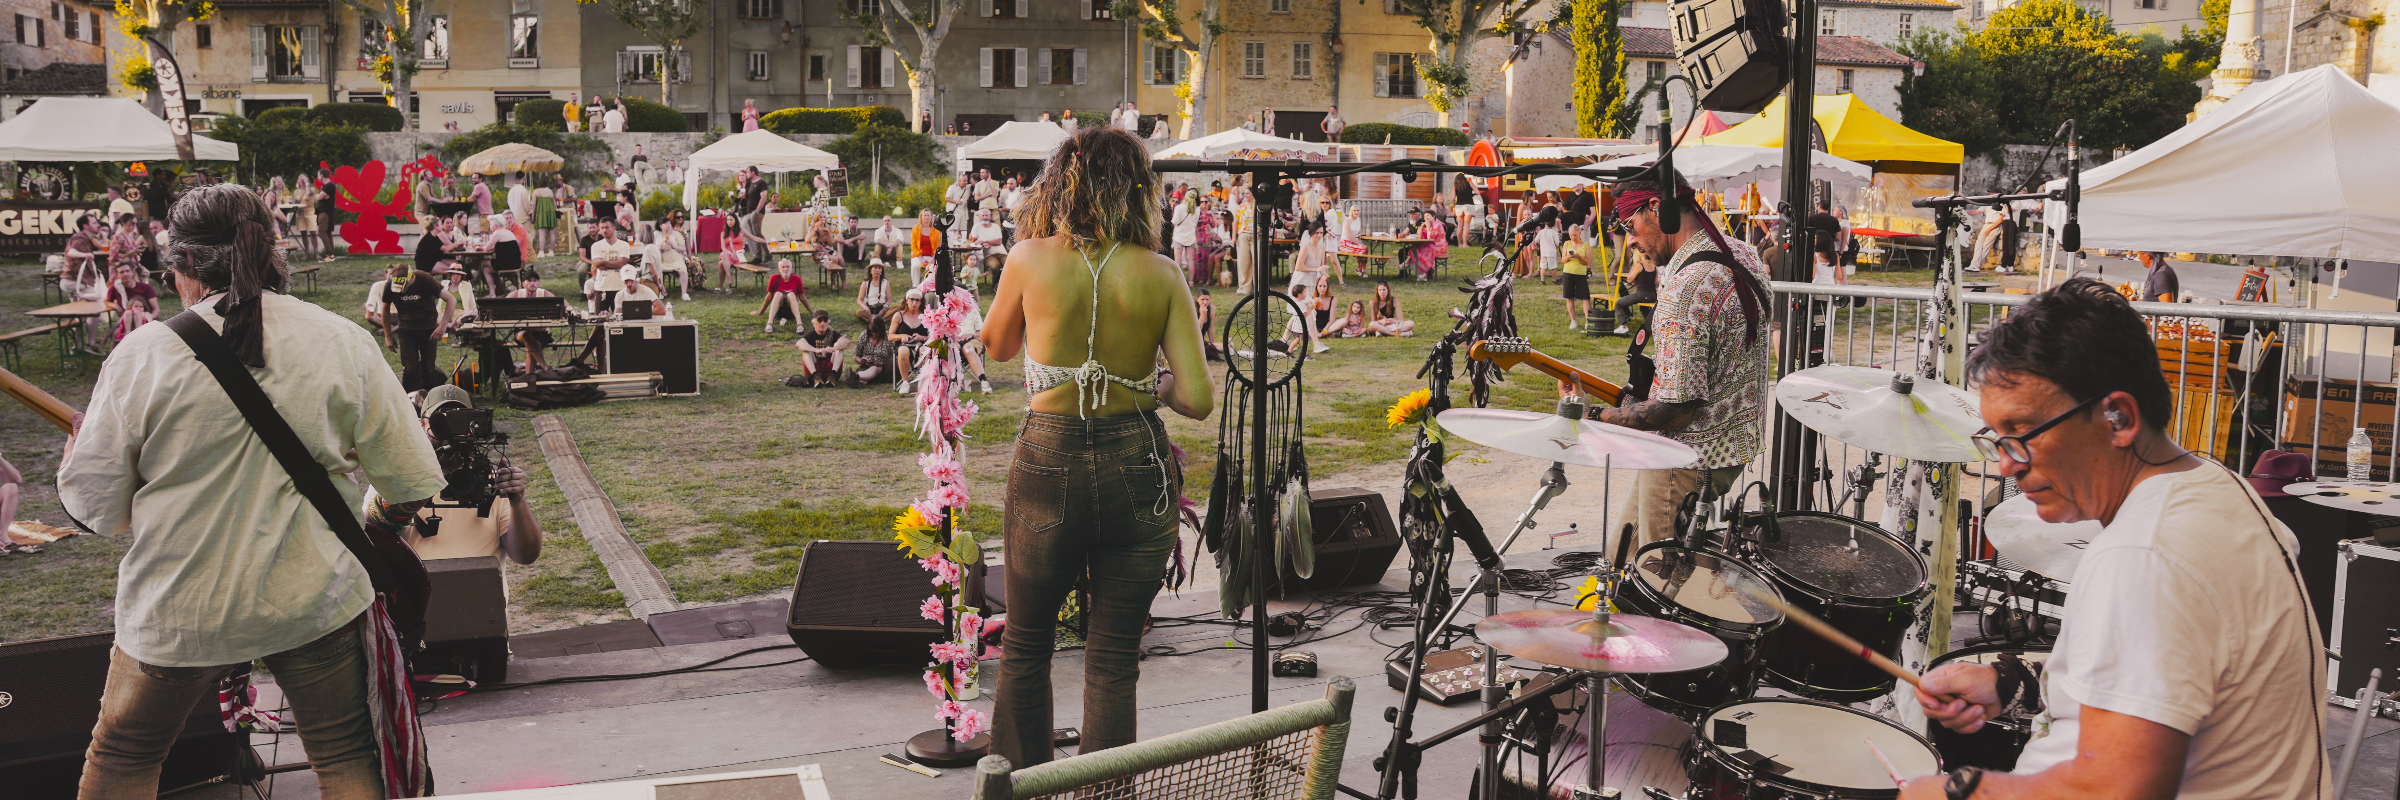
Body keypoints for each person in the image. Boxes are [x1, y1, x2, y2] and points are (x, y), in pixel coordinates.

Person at [59, 183, 447, 799]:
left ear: (182, 264)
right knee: (345, 752)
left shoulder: (143, 356)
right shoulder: (340, 339)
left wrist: (82, 454)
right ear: (271, 252)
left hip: (179, 606)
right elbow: (411, 480)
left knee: (125, 753)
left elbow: (95, 510)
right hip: (313, 599)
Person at [1900, 277, 2328, 800]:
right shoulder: (2218, 489)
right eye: (1996, 440)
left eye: (2022, 434)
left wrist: (1956, 792)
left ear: (2117, 417)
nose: (2007, 464)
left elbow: (2116, 790)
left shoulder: (2143, 555)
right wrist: (2013, 685)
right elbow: (2177, 678)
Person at [981, 126, 1212, 770]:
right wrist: (1150, 380)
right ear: (1139, 192)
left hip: (1048, 456)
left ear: (1060, 184)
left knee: (1026, 645)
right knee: (1112, 659)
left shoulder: (1028, 257)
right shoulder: (1161, 273)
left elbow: (996, 347)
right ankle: (1105, 793)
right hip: (1137, 460)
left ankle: (1020, 786)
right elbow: (1197, 398)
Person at [1596, 170, 1771, 546]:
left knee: (1657, 577)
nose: (1632, 243)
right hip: (1733, 445)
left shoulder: (1687, 285)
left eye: (1630, 226)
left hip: (1687, 457)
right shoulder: (1743, 253)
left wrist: (1597, 418)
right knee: (1620, 554)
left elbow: (1676, 409)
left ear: (1655, 208)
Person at [383, 260, 458, 393]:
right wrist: (388, 335)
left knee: (428, 368)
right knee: (410, 368)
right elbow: (385, 308)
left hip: (428, 329)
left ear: (411, 277)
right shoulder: (390, 283)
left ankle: (430, 400)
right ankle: (409, 401)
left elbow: (451, 299)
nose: (403, 290)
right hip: (406, 329)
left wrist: (442, 325)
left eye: (404, 286)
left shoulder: (425, 279)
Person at [505, 271, 559, 369]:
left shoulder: (544, 293)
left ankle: (529, 378)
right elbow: (500, 306)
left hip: (541, 333)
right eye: (529, 281)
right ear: (523, 284)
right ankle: (545, 367)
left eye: (535, 280)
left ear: (538, 283)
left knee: (531, 349)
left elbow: (563, 305)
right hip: (522, 331)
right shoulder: (517, 294)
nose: (532, 283)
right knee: (527, 335)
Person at [582, 220, 634, 312]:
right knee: (600, 321)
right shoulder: (596, 246)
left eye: (607, 227)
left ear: (614, 228)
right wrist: (616, 263)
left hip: (619, 286)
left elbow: (623, 263)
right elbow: (599, 266)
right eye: (602, 228)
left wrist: (603, 262)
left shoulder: (624, 245)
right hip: (602, 287)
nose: (604, 230)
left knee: (621, 320)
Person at [886, 290, 932, 394]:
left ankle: (921, 380)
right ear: (906, 301)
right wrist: (901, 336)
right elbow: (890, 336)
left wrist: (922, 338)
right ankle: (905, 382)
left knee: (924, 350)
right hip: (903, 345)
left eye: (917, 300)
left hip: (921, 345)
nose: (914, 303)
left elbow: (933, 336)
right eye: (912, 299)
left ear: (921, 302)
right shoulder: (899, 316)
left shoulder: (926, 316)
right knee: (903, 350)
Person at [794, 311, 847, 387]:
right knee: (806, 351)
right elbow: (799, 344)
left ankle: (832, 376)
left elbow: (845, 341)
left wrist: (834, 348)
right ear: (813, 323)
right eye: (819, 320)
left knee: (840, 349)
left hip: (831, 368)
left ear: (828, 323)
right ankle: (816, 376)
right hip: (815, 369)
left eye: (825, 320)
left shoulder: (832, 333)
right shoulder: (810, 335)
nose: (822, 323)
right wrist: (816, 350)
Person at [107, 264, 159, 339]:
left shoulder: (145, 287)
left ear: (132, 272)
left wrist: (148, 318)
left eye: (127, 271)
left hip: (146, 318)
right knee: (116, 334)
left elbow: (156, 308)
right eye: (121, 272)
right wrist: (116, 306)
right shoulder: (115, 288)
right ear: (117, 275)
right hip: (128, 320)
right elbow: (107, 301)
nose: (125, 274)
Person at [758, 258, 811, 331]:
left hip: (792, 311)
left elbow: (802, 297)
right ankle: (769, 323)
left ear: (791, 268)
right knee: (778, 294)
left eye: (788, 266)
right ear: (779, 269)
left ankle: (799, 323)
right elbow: (769, 296)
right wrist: (760, 312)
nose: (785, 269)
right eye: (783, 267)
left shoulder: (797, 278)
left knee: (791, 294)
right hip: (778, 311)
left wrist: (811, 311)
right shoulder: (774, 278)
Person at [652, 215, 692, 299]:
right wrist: (657, 248)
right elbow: (650, 246)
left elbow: (683, 249)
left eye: (669, 223)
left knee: (682, 270)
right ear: (661, 226)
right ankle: (661, 292)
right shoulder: (656, 234)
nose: (668, 225)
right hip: (661, 258)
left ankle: (684, 293)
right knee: (659, 270)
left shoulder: (676, 234)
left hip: (674, 257)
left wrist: (673, 245)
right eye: (666, 224)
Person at [1561, 224, 1593, 328]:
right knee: (1569, 297)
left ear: (1580, 234)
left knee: (1585, 298)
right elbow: (1563, 260)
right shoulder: (1566, 244)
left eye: (1575, 235)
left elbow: (1587, 261)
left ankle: (1588, 321)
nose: (1573, 238)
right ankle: (1573, 320)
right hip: (1568, 272)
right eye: (1571, 235)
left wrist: (1579, 256)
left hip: (1581, 274)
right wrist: (1568, 256)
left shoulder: (1586, 245)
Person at [1408, 207, 1447, 281]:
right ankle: (1421, 273)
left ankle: (1424, 273)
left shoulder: (1437, 225)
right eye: (1425, 216)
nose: (1426, 218)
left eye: (1428, 216)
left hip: (1439, 247)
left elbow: (1430, 238)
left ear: (1433, 216)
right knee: (1414, 248)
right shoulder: (1429, 225)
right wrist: (1421, 227)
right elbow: (1420, 237)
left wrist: (1428, 227)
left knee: (1423, 251)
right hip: (1431, 245)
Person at [910, 208, 944, 286]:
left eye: (928, 215)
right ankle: (915, 286)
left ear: (931, 217)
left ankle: (933, 285)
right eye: (925, 215)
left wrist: (934, 257)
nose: (927, 217)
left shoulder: (936, 230)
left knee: (938, 265)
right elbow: (913, 245)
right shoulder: (916, 229)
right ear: (921, 217)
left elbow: (937, 246)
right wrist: (921, 258)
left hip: (931, 255)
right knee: (915, 265)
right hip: (919, 255)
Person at [856, 260, 894, 325]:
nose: (877, 270)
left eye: (879, 268)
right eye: (875, 268)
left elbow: (889, 299)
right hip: (870, 309)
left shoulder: (885, 282)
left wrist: (884, 309)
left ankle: (878, 321)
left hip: (882, 308)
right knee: (859, 312)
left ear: (882, 270)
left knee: (897, 308)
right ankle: (877, 321)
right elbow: (859, 300)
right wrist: (864, 307)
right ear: (871, 270)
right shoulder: (866, 283)